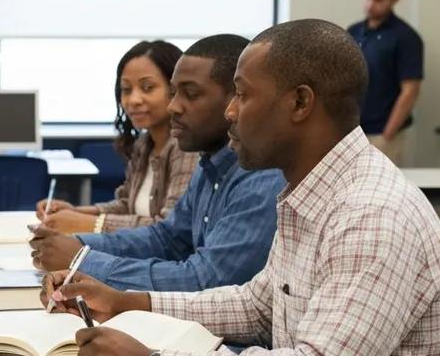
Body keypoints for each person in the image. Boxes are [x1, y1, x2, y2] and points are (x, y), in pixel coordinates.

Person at [47, 21, 440, 356]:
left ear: (300, 103)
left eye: (242, 95)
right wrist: (129, 302)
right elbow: (259, 305)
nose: (230, 111)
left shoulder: (370, 213)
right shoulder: (313, 190)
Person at [30, 34, 286, 292]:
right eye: (174, 93)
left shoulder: (262, 177)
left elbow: (206, 280)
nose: (173, 107)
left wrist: (82, 259)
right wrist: (77, 243)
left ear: (235, 99)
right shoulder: (209, 164)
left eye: (190, 94)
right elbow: (167, 239)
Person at [35, 40, 198, 234]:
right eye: (126, 90)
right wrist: (76, 213)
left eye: (147, 87)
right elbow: (127, 204)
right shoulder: (144, 145)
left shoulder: (187, 148)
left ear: (175, 90)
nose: (133, 100)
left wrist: (92, 224)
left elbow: (172, 228)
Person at [347, 0, 423, 166]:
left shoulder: (406, 38)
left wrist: (388, 134)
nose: (370, 4)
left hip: (384, 134)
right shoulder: (354, 32)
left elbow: (410, 90)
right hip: (353, 133)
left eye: (378, 0)